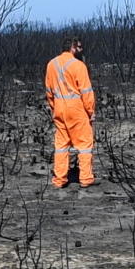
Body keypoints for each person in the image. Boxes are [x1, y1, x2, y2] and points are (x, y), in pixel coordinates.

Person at [44, 36, 97, 189]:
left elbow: (49, 91)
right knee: (85, 144)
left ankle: (59, 179)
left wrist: (54, 107)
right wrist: (90, 111)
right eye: (79, 47)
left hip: (59, 109)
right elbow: (86, 92)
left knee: (61, 146)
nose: (81, 50)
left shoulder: (51, 64)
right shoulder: (79, 66)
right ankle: (86, 179)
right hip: (77, 109)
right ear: (72, 48)